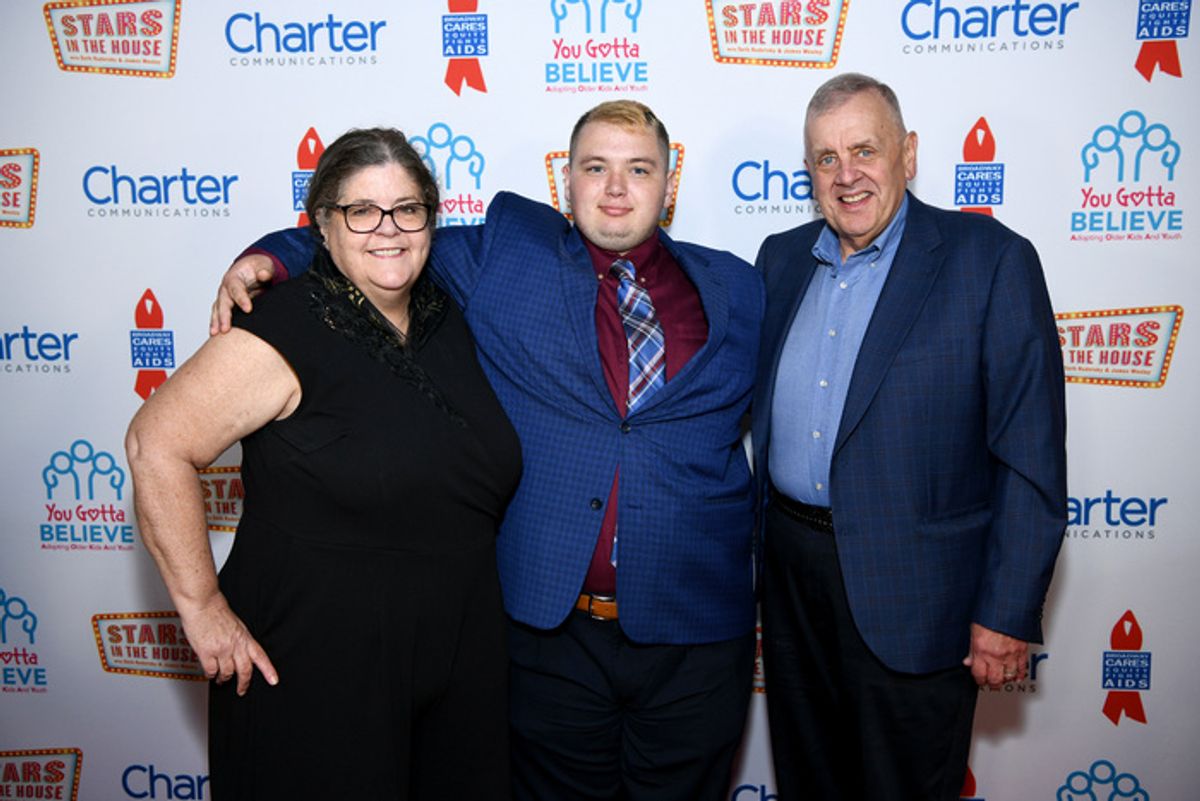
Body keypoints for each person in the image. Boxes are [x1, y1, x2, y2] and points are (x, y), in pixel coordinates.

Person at [213, 100, 764, 801]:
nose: (616, 187)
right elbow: (382, 237)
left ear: (670, 182)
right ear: (567, 181)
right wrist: (269, 258)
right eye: (596, 167)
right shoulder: (508, 252)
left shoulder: (740, 286)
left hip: (696, 636)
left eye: (638, 168)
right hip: (550, 632)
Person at [128, 128, 521, 800]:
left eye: (407, 208)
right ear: (322, 225)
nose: (387, 229)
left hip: (456, 669)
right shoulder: (280, 328)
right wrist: (201, 606)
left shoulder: (447, 314)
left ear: (431, 218)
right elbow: (155, 443)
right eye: (361, 211)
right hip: (316, 670)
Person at [751, 73, 1067, 801]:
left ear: (910, 153)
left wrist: (1005, 609)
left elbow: (1030, 453)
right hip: (793, 579)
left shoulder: (988, 260)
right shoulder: (780, 260)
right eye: (825, 158)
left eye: (865, 149)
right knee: (809, 780)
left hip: (918, 597)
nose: (846, 174)